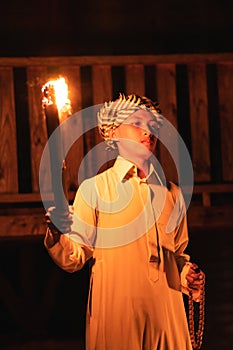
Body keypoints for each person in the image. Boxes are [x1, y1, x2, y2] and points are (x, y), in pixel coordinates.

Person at [44, 93, 205, 350]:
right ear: (113, 133)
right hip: (118, 320)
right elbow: (75, 256)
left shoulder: (171, 193)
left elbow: (176, 254)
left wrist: (188, 275)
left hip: (167, 319)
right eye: (137, 124)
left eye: (151, 126)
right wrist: (56, 231)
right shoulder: (94, 190)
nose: (147, 132)